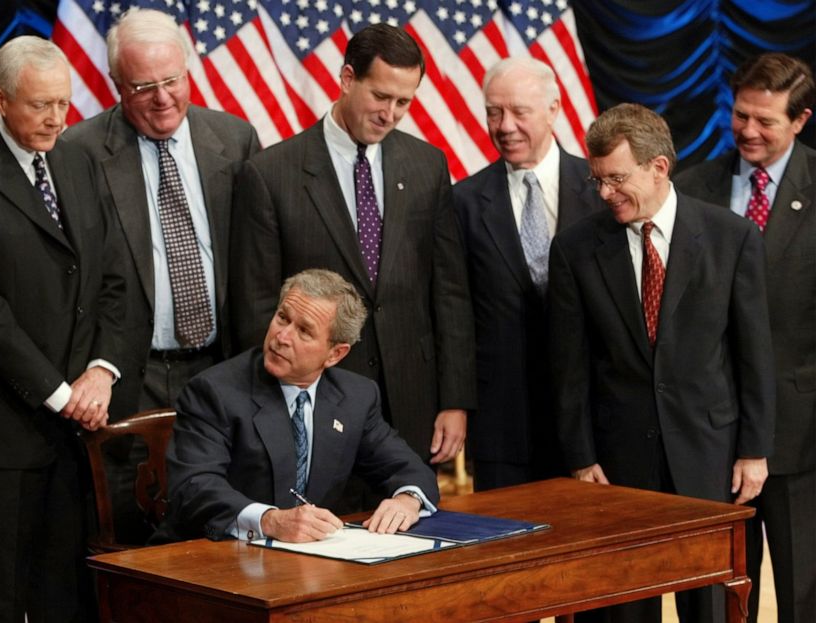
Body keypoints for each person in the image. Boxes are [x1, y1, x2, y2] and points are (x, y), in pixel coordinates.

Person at [549, 103, 775, 623]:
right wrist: (581, 458)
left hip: (710, 455)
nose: (605, 194)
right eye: (598, 180)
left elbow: (753, 354)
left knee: (712, 606)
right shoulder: (576, 249)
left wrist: (754, 451)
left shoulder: (731, 238)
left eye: (617, 179)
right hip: (618, 464)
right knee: (624, 607)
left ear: (658, 168)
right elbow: (569, 368)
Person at [230, 23, 475, 483]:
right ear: (346, 79)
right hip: (313, 404)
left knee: (410, 538)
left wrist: (455, 400)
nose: (391, 114)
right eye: (381, 97)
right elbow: (256, 308)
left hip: (411, 403)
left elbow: (450, 292)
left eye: (404, 102)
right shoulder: (270, 174)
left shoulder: (427, 165)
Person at [0, 37, 126, 623]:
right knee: (0, 603)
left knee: (66, 600)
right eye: (39, 105)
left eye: (63, 105)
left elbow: (116, 278)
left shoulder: (77, 158)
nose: (54, 119)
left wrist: (101, 370)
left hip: (80, 437)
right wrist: (63, 394)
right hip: (5, 438)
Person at [64, 7, 260, 542]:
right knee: (130, 538)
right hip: (131, 374)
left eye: (172, 80)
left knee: (222, 529)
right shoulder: (78, 153)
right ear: (116, 86)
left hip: (220, 370)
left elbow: (255, 264)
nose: (163, 97)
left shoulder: (236, 140)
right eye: (144, 86)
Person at [674, 53, 815, 623]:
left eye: (766, 121)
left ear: (800, 120)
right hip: (707, 431)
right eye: (740, 115)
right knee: (715, 593)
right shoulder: (692, 187)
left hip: (798, 434)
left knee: (803, 591)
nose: (748, 131)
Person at [164, 269, 439, 542]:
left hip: (305, 562)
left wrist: (407, 499)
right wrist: (269, 520)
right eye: (282, 318)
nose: (281, 337)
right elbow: (194, 486)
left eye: (304, 331)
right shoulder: (215, 391)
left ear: (335, 353)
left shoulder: (356, 396)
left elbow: (409, 468)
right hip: (214, 552)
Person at [452, 56, 601, 491]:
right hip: (503, 423)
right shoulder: (463, 201)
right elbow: (454, 312)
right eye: (494, 112)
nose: (505, 125)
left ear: (553, 109)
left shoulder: (599, 189)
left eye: (519, 111)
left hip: (594, 422)